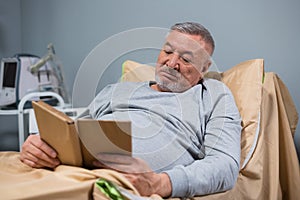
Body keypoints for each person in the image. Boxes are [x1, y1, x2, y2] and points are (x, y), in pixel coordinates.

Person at [20, 22, 242, 198]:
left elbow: (225, 166)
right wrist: (40, 144)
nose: (171, 63)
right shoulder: (116, 90)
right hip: (67, 170)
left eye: (185, 59)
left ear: (204, 69)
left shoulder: (214, 94)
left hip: (119, 185)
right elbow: (73, 133)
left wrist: (161, 183)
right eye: (167, 51)